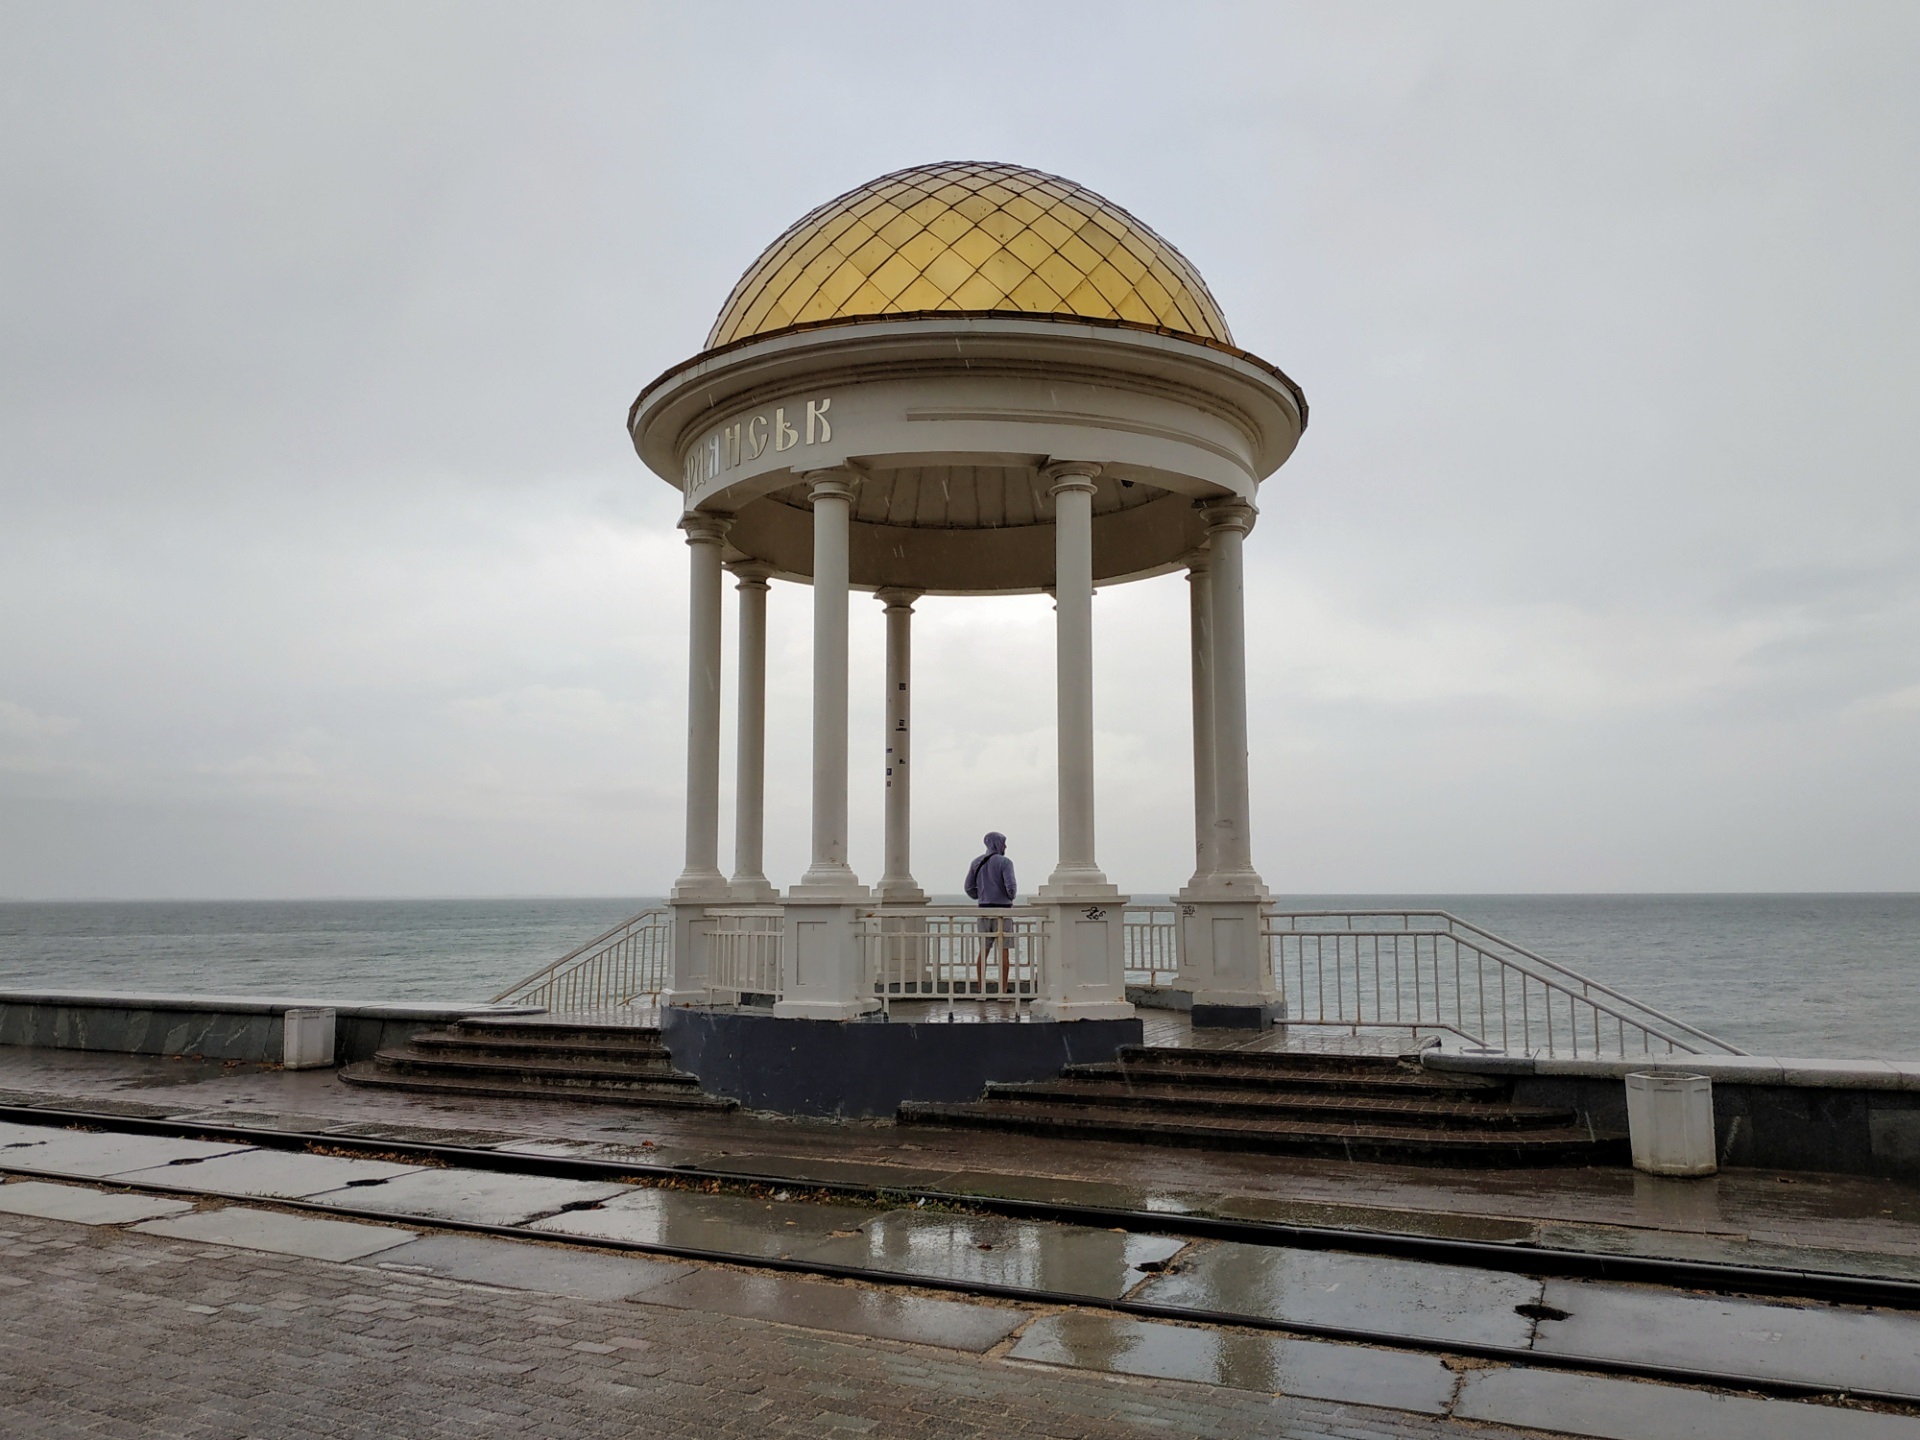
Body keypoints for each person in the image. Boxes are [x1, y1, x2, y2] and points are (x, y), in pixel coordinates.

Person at [964, 831, 1018, 994]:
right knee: (1004, 952)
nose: (1005, 846)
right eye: (1004, 843)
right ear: (998, 844)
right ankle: (1003, 989)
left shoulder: (977, 862)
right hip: (1002, 911)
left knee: (983, 951)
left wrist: (980, 895)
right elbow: (1011, 887)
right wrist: (1008, 895)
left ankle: (981, 989)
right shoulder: (1005, 862)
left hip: (984, 910)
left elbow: (968, 887)